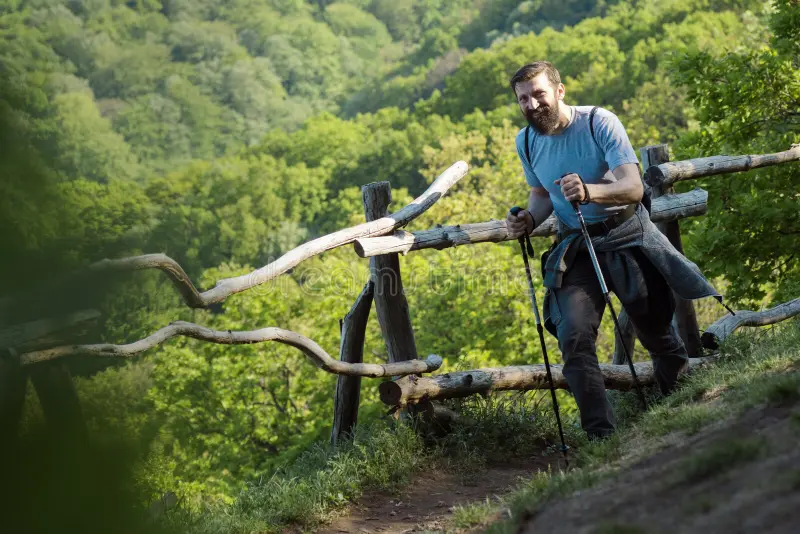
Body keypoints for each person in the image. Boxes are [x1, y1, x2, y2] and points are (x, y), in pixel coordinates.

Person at [505, 61, 720, 439]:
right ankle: (600, 437)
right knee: (573, 336)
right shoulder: (526, 141)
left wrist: (590, 191)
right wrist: (527, 220)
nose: (532, 104)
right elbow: (541, 195)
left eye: (538, 94)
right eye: (523, 99)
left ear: (559, 91)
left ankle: (685, 410)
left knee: (654, 330)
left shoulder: (599, 123)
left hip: (627, 235)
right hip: (576, 245)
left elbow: (634, 187)